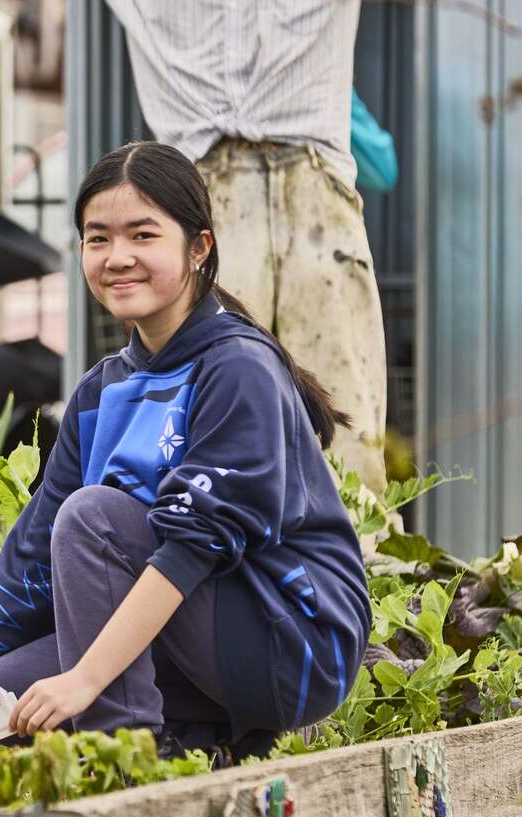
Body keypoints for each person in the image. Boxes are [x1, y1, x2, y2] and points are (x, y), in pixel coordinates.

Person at [0, 142, 371, 783]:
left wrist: (85, 680)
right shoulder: (101, 391)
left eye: (143, 235)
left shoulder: (236, 367)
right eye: (97, 238)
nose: (117, 257)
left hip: (289, 639)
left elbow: (191, 548)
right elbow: (29, 559)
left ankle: (129, 763)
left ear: (198, 249)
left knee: (93, 518)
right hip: (196, 633)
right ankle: (206, 742)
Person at [102, 0, 389, 494]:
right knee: (205, 428)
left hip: (315, 192)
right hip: (202, 200)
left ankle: (353, 564)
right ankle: (201, 562)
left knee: (348, 440)